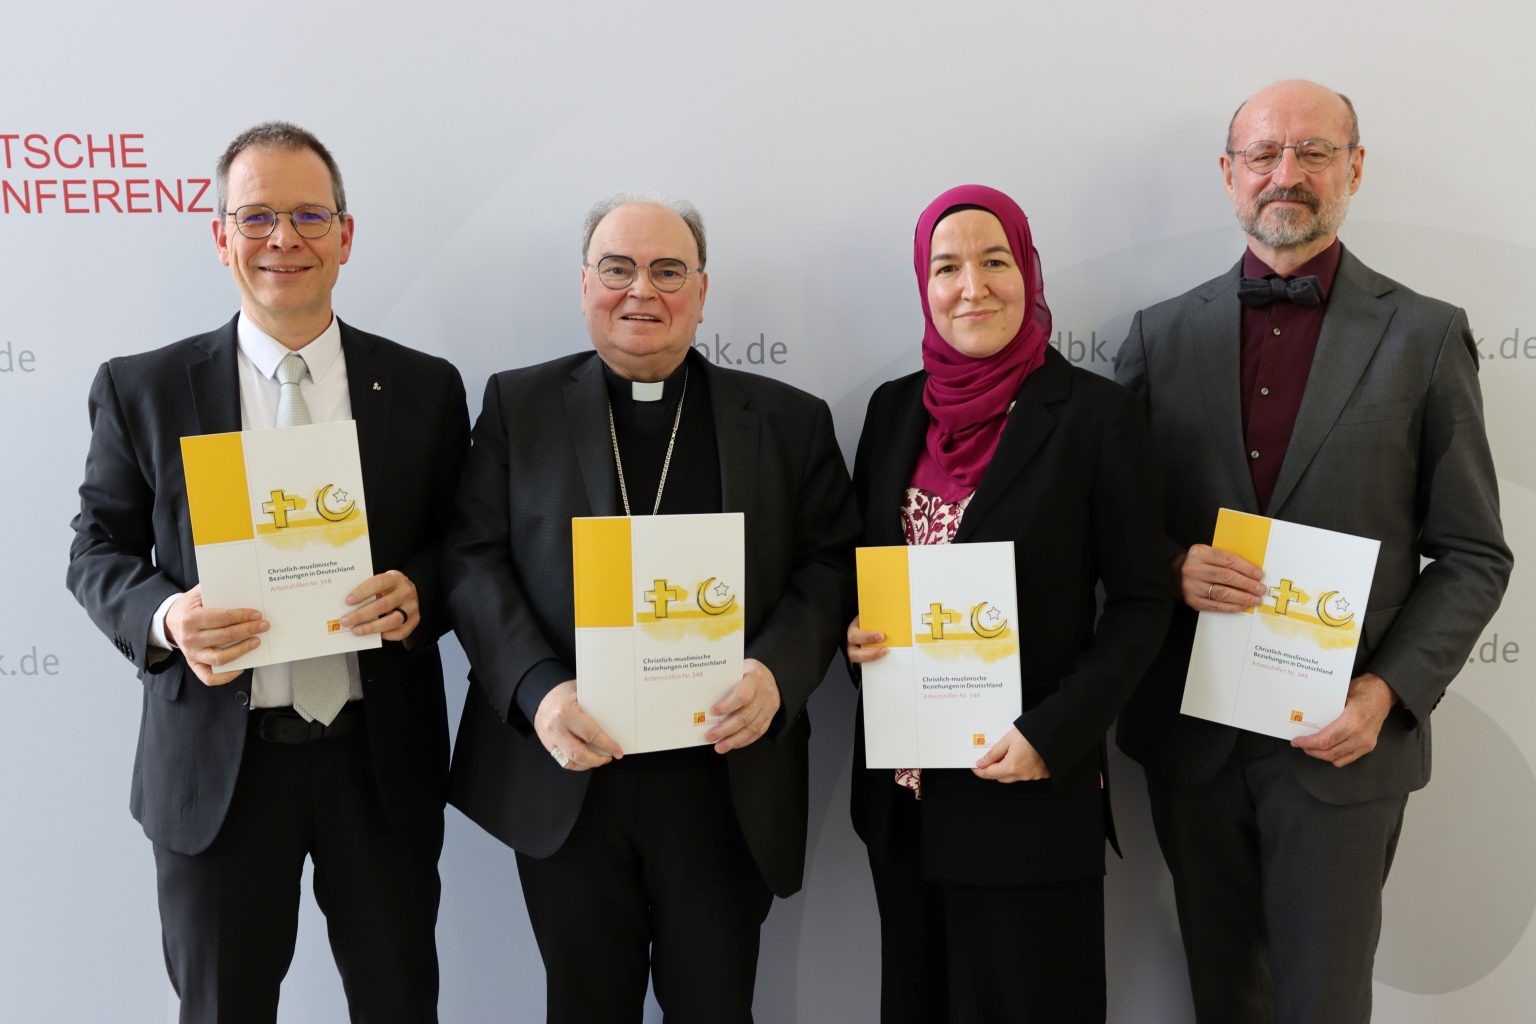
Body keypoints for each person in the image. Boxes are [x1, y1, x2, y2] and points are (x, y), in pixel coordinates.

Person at [1114, 80, 1513, 1024]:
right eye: (1263, 154)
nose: (1285, 175)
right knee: (1223, 999)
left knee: (1325, 1006)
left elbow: (1473, 554)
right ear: (1229, 174)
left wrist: (1386, 695)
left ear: (1355, 168)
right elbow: (1108, 529)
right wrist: (1172, 567)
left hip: (1342, 747)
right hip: (1194, 743)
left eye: (1313, 153)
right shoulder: (1158, 336)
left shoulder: (1425, 335)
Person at [65, 122, 469, 1024]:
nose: (282, 239)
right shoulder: (145, 388)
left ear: (345, 236)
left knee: (400, 1005)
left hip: (377, 761)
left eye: (307, 215)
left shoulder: (425, 387)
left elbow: (463, 545)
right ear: (219, 237)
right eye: (255, 217)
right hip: (218, 771)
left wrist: (422, 591)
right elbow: (95, 551)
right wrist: (167, 619)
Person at [445, 193, 859, 1023]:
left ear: (701, 292)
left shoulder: (787, 420)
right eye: (618, 268)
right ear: (585, 283)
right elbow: (471, 561)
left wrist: (778, 673)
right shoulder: (515, 407)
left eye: (668, 271)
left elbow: (833, 567)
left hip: (722, 785)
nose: (642, 291)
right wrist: (538, 691)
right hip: (571, 776)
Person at [844, 184, 1171, 1023]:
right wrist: (855, 640)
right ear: (924, 282)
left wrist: (1052, 737)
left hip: (1027, 796)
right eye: (946, 267)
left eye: (994, 261)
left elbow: (1139, 604)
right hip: (905, 803)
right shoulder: (890, 412)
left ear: (1027, 270)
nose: (972, 286)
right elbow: (863, 575)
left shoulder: (1095, 417)